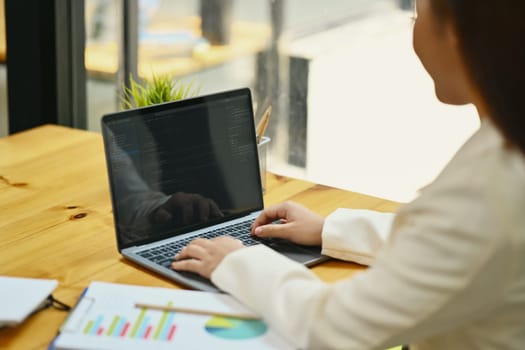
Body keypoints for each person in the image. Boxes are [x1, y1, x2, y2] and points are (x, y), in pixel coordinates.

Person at [172, 0, 525, 348]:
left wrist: (237, 262)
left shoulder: (486, 189)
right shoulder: (503, 159)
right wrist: (330, 229)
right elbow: (455, 246)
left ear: (456, 35)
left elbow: (331, 328)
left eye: (417, 15)